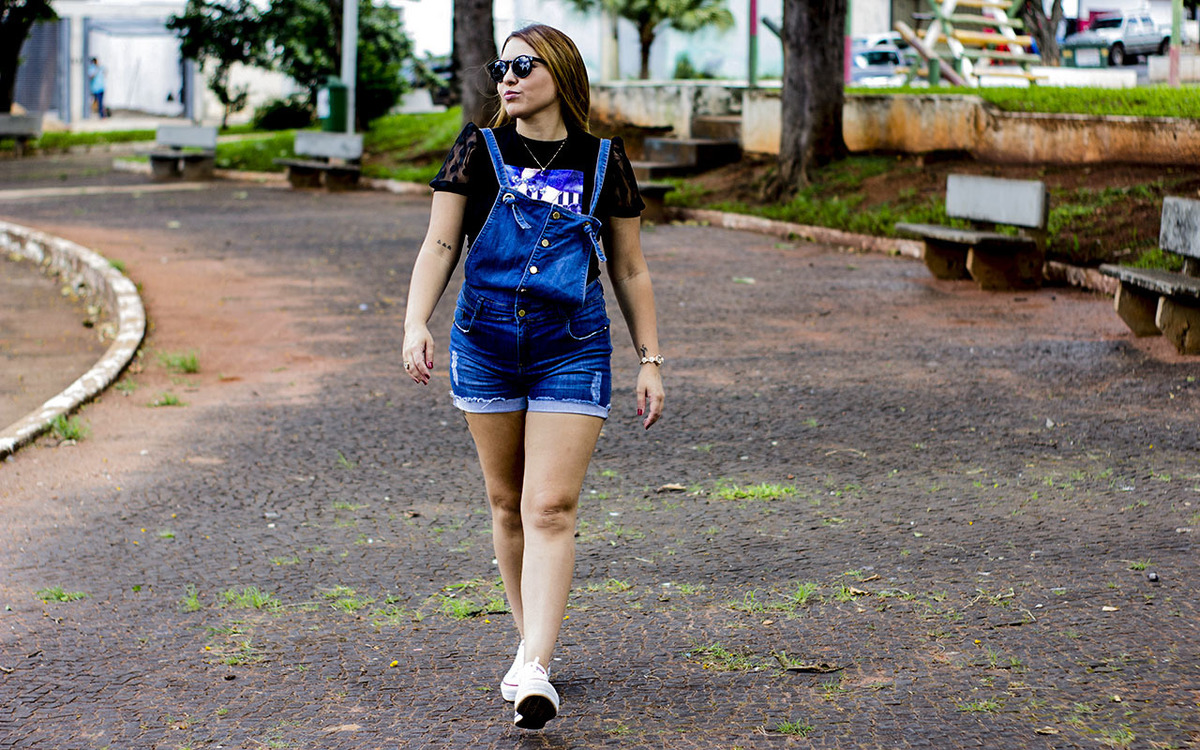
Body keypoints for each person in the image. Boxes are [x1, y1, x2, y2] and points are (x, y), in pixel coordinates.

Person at [402, 23, 664, 731]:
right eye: (500, 67)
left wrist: (649, 359)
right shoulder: (476, 148)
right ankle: (529, 646)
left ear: (560, 72)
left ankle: (537, 670)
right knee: (504, 499)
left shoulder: (603, 160)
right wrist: (414, 321)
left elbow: (631, 268)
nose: (506, 79)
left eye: (523, 65)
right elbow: (440, 242)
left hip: (572, 346)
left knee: (549, 507)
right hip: (484, 343)